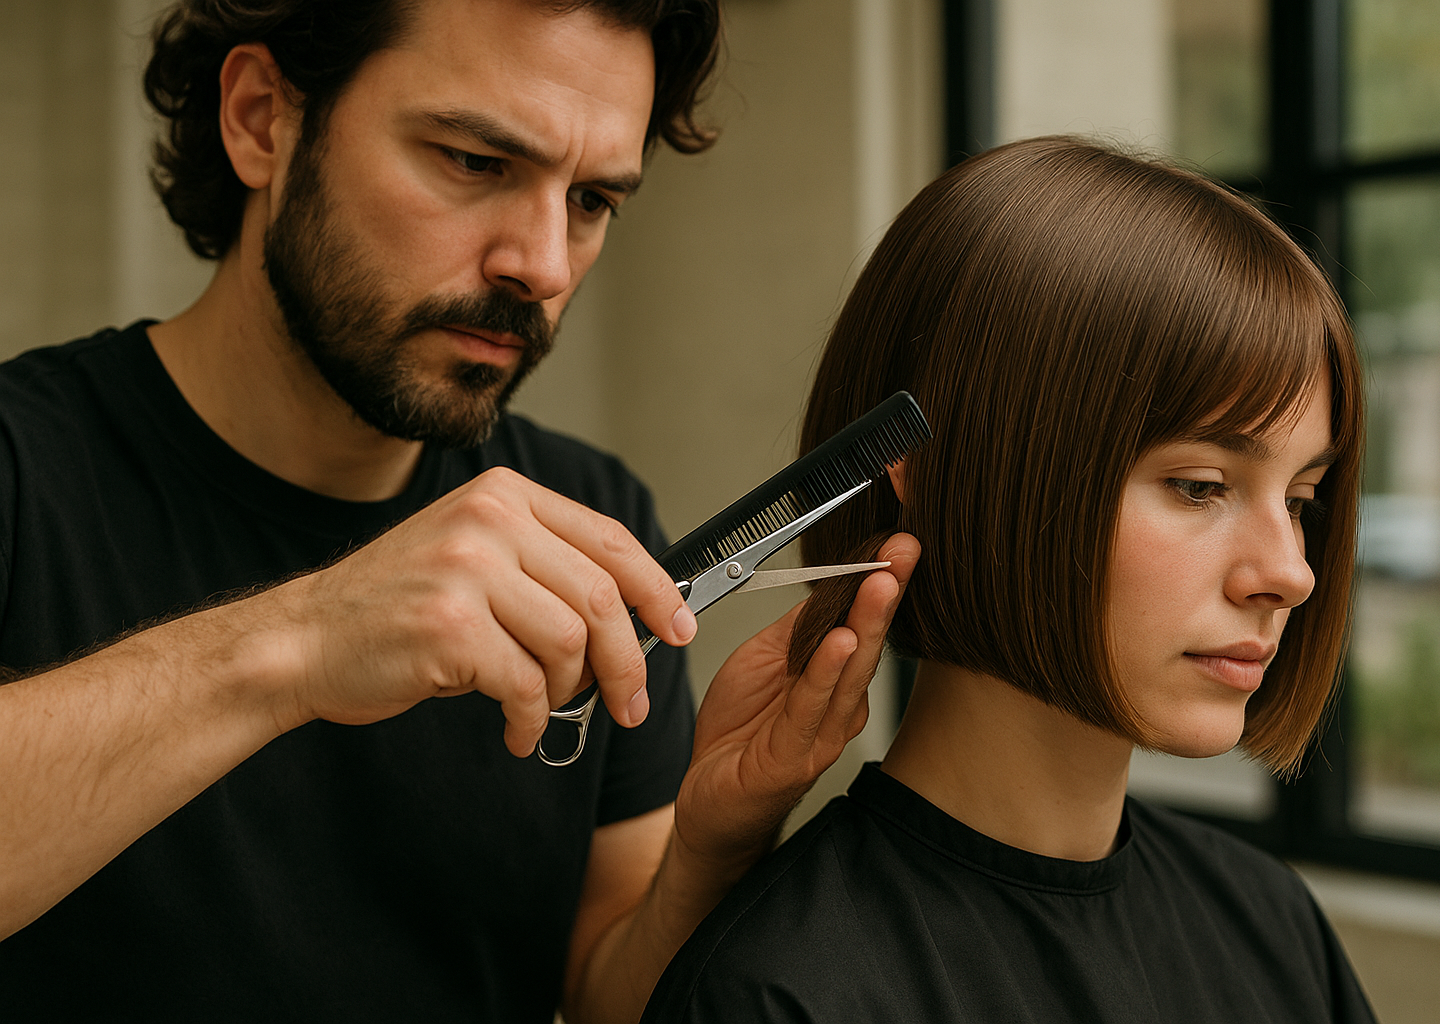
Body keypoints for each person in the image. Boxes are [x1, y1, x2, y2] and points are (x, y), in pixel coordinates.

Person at [0, 1, 918, 1021]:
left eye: (593, 199)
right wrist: (303, 639)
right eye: (475, 161)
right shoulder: (20, 470)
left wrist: (712, 845)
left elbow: (607, 993)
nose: (544, 264)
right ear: (263, 119)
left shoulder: (592, 523)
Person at [640, 136, 1378, 1023]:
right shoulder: (779, 992)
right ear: (951, 478)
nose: (1291, 574)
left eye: (1302, 499)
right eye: (1200, 486)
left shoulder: (1270, 924)